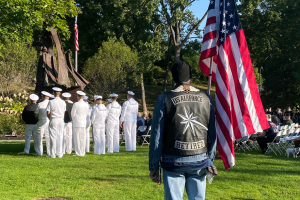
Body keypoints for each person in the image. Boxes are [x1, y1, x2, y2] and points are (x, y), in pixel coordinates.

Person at [149, 61, 217, 200]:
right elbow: (212, 132)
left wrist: (154, 165)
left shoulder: (165, 98)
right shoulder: (205, 98)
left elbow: (157, 134)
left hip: (173, 159)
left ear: (174, 78)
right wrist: (210, 157)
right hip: (199, 157)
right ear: (190, 78)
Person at [46, 87, 66, 158]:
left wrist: (50, 118)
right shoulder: (63, 102)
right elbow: (63, 112)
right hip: (60, 119)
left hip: (54, 119)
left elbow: (48, 112)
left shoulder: (51, 102)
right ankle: (59, 153)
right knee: (60, 136)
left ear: (53, 93)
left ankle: (53, 154)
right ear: (60, 93)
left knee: (53, 136)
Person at [71, 91, 89, 156]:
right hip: (83, 122)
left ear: (78, 97)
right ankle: (82, 152)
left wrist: (74, 120)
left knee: (77, 138)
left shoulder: (76, 104)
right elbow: (87, 114)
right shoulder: (86, 104)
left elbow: (73, 114)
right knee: (82, 138)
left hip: (77, 122)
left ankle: (78, 152)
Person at [34, 91, 51, 156]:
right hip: (49, 121)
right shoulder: (51, 103)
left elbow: (36, 114)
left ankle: (39, 152)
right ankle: (49, 152)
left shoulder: (40, 104)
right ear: (48, 97)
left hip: (41, 120)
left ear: (43, 97)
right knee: (48, 137)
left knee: (39, 137)